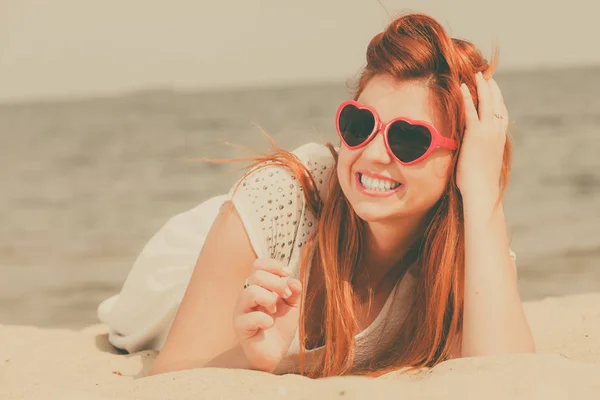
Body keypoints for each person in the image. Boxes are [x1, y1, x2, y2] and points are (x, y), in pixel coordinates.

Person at [97, 12, 535, 378]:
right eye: (360, 126)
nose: (374, 154)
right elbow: (171, 376)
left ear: (462, 159)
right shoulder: (281, 199)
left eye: (408, 139)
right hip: (192, 262)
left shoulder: (471, 232)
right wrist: (261, 360)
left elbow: (506, 374)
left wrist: (481, 193)